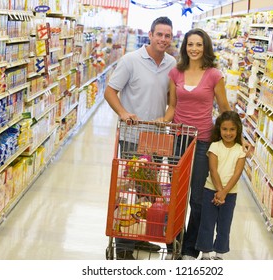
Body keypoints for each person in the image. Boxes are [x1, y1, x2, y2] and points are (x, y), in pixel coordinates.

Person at [104, 16, 177, 260]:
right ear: (150, 34)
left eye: (167, 35)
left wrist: (166, 119)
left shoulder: (172, 64)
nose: (163, 39)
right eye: (160, 35)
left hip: (156, 138)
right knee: (128, 190)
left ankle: (143, 237)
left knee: (149, 192)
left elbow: (171, 102)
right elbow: (110, 91)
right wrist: (123, 113)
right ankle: (124, 245)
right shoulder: (130, 60)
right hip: (133, 136)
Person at [160, 28, 231, 260]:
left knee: (198, 199)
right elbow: (172, 107)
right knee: (176, 195)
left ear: (206, 47)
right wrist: (162, 121)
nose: (194, 48)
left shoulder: (214, 75)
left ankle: (191, 248)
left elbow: (224, 109)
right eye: (190, 44)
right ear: (185, 47)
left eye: (199, 44)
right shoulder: (175, 73)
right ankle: (173, 246)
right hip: (178, 139)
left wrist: (235, 140)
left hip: (202, 142)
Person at [196, 111, 246, 260]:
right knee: (207, 222)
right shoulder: (214, 146)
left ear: (238, 130)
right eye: (225, 129)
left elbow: (237, 173)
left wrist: (224, 193)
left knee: (224, 224)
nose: (228, 133)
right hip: (211, 190)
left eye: (232, 129)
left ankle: (219, 254)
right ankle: (205, 254)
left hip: (230, 194)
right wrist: (219, 191)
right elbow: (213, 170)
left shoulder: (240, 150)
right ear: (219, 129)